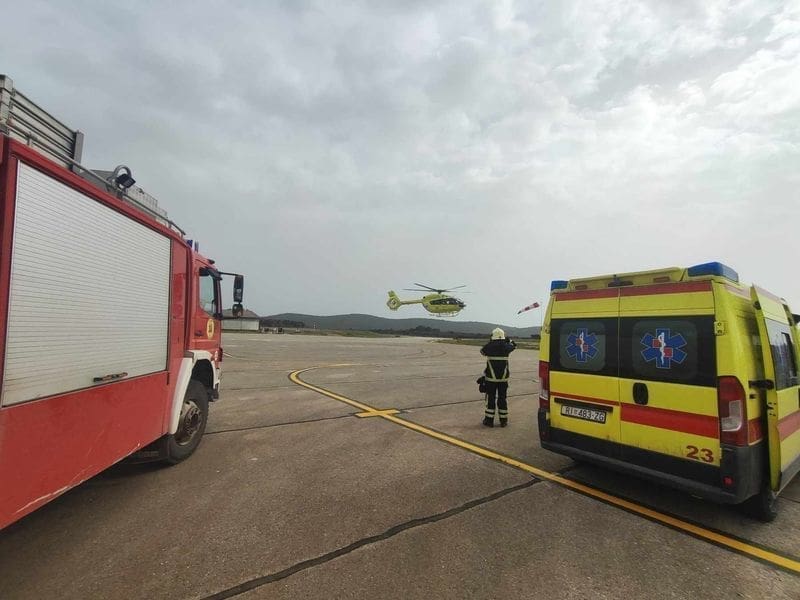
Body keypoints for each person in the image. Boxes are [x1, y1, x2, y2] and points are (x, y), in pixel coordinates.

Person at [481, 327, 516, 427]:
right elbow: (514, 346)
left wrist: (490, 342)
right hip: (503, 379)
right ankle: (503, 421)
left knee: (491, 398)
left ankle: (489, 421)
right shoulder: (507, 346)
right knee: (502, 398)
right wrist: (509, 340)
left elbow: (482, 351)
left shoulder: (489, 346)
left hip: (491, 379)